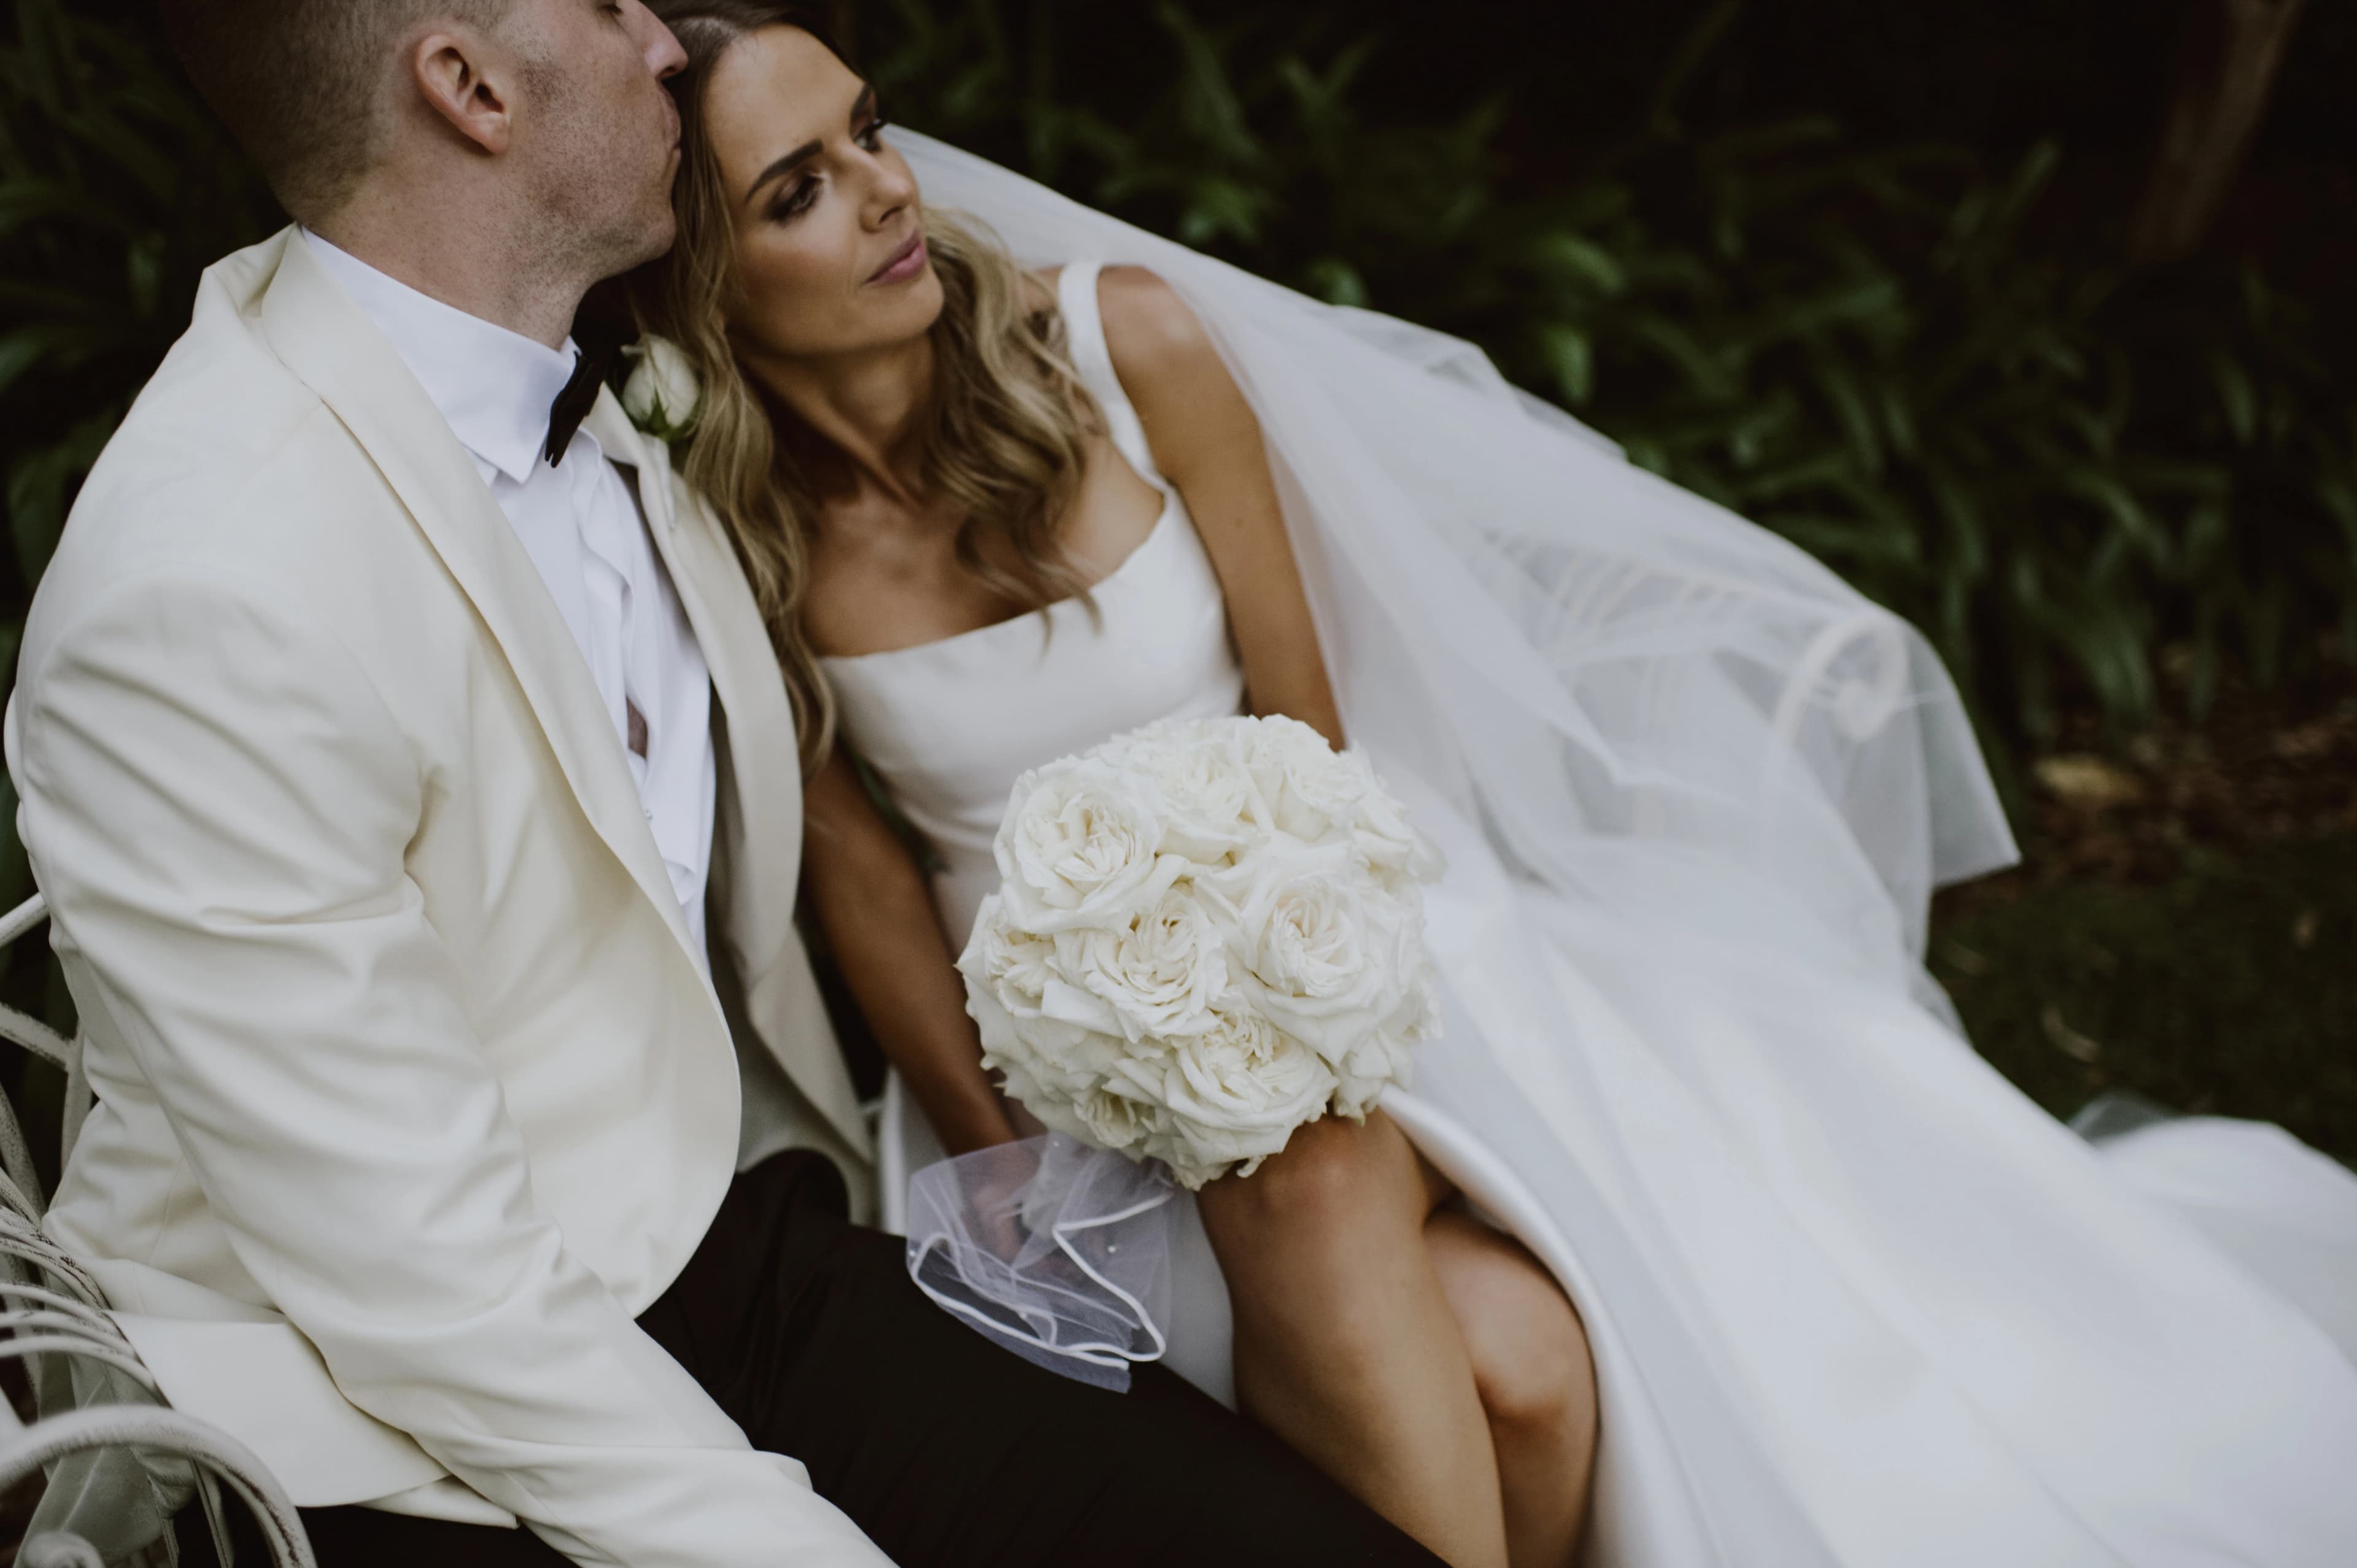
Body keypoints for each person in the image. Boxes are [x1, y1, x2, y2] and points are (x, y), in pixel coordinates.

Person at [626, 6, 2357, 1568]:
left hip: (1361, 969)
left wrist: (1309, 990)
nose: (881, 192)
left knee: (1317, 1181)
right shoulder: (743, 540)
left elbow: (1307, 729)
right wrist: (1012, 1166)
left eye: (871, 129)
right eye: (799, 188)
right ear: (706, 275)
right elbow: (860, 873)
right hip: (1056, 1108)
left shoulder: (1121, 346)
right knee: (1521, 1374)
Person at [5, 2, 1457, 1564]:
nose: (657, 37)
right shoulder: (205, 588)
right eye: (605, 3)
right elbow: (430, 1297)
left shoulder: (640, 406)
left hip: (717, 1236)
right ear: (470, 88)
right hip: (370, 1424)